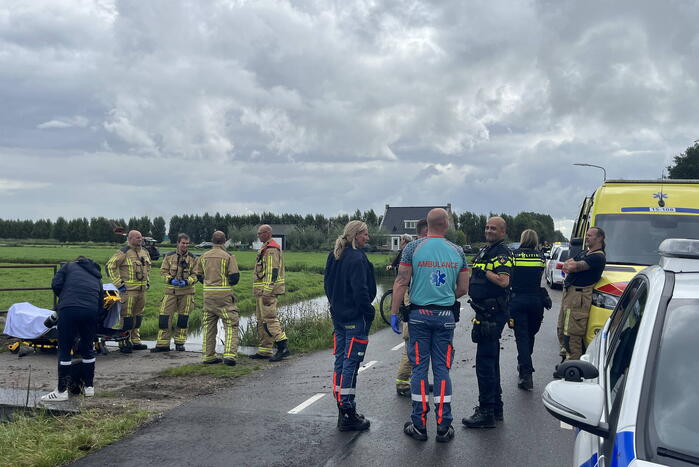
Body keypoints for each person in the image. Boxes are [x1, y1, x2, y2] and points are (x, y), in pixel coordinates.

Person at [391, 209, 469, 443]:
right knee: (442, 370)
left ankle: (419, 425)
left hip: (418, 316)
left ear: (428, 224)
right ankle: (444, 427)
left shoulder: (412, 248)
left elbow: (401, 281)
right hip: (445, 317)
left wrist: (394, 313)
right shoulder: (457, 251)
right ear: (446, 224)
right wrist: (445, 297)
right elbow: (463, 288)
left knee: (419, 370)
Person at [324, 220, 376, 432]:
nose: (367, 238)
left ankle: (342, 404)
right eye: (365, 234)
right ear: (356, 235)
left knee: (340, 361)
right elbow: (361, 291)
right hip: (355, 318)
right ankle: (347, 411)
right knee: (351, 364)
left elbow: (327, 285)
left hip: (338, 318)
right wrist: (369, 311)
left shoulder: (334, 255)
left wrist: (335, 306)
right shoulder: (356, 258)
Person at [463, 216, 513, 429]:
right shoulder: (486, 250)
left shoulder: (501, 253)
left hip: (492, 313)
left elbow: (503, 280)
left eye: (494, 228)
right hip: (484, 311)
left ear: (502, 232)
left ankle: (486, 412)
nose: (489, 230)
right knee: (491, 361)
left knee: (484, 363)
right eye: (487, 227)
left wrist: (484, 271)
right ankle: (496, 407)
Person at [41, 256, 104, 401]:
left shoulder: (68, 266)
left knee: (64, 349)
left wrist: (64, 299)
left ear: (77, 261)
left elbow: (56, 284)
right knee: (88, 348)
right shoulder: (96, 276)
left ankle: (61, 391)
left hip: (69, 309)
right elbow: (100, 302)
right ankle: (89, 388)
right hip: (91, 311)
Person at [557, 227, 606, 361]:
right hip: (570, 296)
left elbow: (572, 266)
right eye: (587, 235)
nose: (587, 237)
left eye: (590, 235)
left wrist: (571, 266)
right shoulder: (586, 253)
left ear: (600, 238)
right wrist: (570, 265)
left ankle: (572, 366)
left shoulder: (598, 257)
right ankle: (565, 361)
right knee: (562, 329)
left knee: (572, 335)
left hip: (578, 299)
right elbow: (566, 265)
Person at [193, 231, 241, 366]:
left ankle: (208, 356)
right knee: (231, 324)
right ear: (225, 241)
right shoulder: (228, 256)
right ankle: (229, 355)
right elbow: (234, 278)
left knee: (209, 326)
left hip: (207, 295)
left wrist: (209, 283)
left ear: (212, 241)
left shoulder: (203, 256)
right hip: (224, 296)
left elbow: (198, 275)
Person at [509, 229, 547, 391]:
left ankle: (526, 373)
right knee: (530, 334)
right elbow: (540, 276)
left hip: (517, 299)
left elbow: (510, 276)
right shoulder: (541, 257)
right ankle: (524, 363)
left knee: (522, 337)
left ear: (522, 239)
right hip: (536, 301)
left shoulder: (513, 255)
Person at [395, 220, 429, 397]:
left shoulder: (422, 250)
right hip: (412, 301)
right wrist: (395, 312)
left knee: (420, 346)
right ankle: (402, 383)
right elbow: (402, 281)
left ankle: (418, 380)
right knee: (410, 343)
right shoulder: (413, 250)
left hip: (418, 301)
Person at [249, 225, 290, 362]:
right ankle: (265, 350)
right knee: (261, 321)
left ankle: (283, 347)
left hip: (267, 292)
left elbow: (273, 272)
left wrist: (267, 292)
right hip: (261, 292)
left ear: (267, 233)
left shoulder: (271, 249)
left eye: (260, 233)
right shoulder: (265, 247)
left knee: (270, 319)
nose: (258, 236)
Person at [106, 230, 151, 353]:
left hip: (142, 291)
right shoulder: (123, 252)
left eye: (141, 237)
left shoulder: (144, 252)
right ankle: (123, 342)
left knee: (138, 317)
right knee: (127, 318)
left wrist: (147, 282)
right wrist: (119, 284)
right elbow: (109, 266)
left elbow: (148, 269)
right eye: (137, 237)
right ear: (130, 239)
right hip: (128, 291)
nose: (140, 239)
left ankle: (136, 341)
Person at [152, 233, 198, 353]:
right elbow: (163, 272)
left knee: (183, 318)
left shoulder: (193, 258)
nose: (185, 245)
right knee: (164, 317)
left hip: (187, 292)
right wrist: (170, 280)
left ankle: (180, 343)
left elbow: (196, 275)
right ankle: (162, 344)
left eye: (187, 243)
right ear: (178, 243)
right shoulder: (169, 256)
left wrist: (187, 281)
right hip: (170, 292)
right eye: (183, 243)